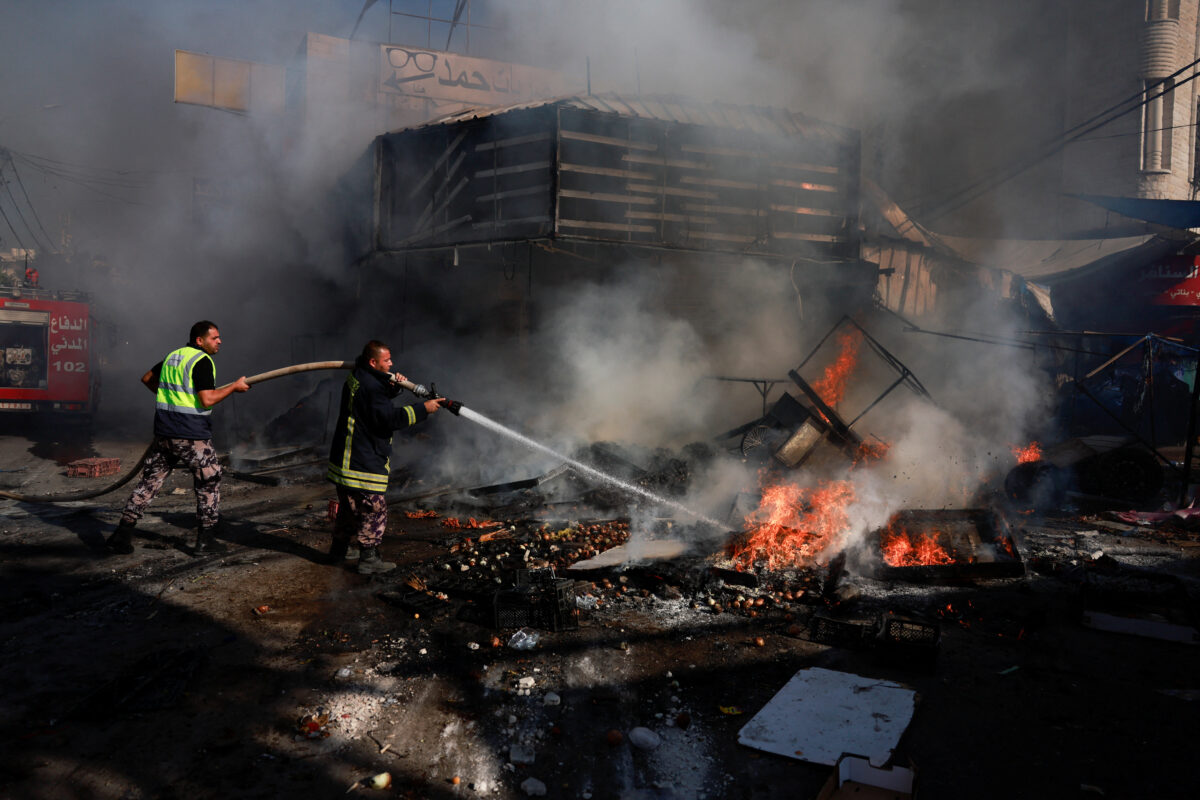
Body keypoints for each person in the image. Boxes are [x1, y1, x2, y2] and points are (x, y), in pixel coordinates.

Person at [106, 321, 250, 555]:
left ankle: (121, 535)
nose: (220, 341)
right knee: (209, 481)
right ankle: (206, 540)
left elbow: (147, 378)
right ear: (199, 341)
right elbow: (207, 400)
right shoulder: (202, 361)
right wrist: (234, 387)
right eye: (215, 338)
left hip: (165, 433)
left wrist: (172, 398)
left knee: (149, 483)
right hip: (192, 435)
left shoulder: (174, 357)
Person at [327, 339, 445, 574]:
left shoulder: (359, 377)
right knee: (374, 509)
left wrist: (393, 387)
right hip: (361, 460)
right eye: (387, 360)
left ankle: (337, 552)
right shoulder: (370, 386)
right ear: (373, 361)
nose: (392, 364)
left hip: (346, 459)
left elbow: (371, 404)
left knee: (350, 508)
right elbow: (388, 418)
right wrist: (424, 409)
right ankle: (369, 559)